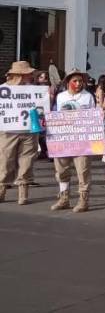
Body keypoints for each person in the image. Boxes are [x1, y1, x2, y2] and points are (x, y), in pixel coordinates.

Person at [49, 69, 95, 212]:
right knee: (61, 170)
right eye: (75, 81)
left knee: (83, 170)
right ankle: (64, 198)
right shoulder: (61, 96)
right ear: (68, 82)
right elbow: (56, 114)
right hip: (63, 139)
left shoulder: (88, 97)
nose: (78, 84)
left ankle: (83, 200)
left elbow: (93, 117)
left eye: (80, 81)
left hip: (82, 140)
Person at [0, 61, 41, 205]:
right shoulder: (3, 90)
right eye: (28, 74)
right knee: (5, 160)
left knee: (27, 161)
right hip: (8, 131)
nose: (31, 76)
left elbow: (40, 109)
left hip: (29, 130)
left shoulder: (33, 90)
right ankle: (2, 188)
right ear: (19, 75)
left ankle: (23, 191)